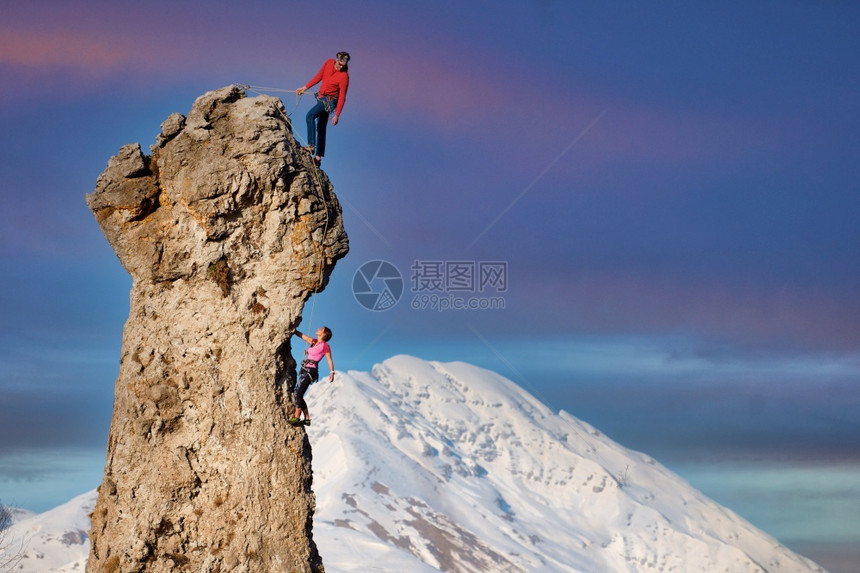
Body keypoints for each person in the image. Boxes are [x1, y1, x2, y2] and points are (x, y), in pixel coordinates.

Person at [296, 52, 350, 166]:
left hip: (330, 102)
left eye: (343, 66)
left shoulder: (344, 77)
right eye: (339, 64)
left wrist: (337, 115)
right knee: (321, 127)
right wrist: (304, 88)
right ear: (336, 60)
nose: (340, 67)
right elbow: (319, 76)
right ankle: (318, 158)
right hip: (321, 97)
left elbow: (342, 97)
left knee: (310, 115)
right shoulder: (329, 63)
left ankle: (311, 145)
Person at [289, 326, 335, 426]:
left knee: (297, 392)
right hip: (305, 369)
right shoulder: (314, 342)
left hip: (311, 371)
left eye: (321, 329)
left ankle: (296, 417)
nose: (318, 329)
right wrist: (294, 330)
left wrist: (332, 372)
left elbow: (329, 359)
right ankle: (307, 418)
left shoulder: (325, 346)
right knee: (298, 393)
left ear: (324, 334)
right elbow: (303, 337)